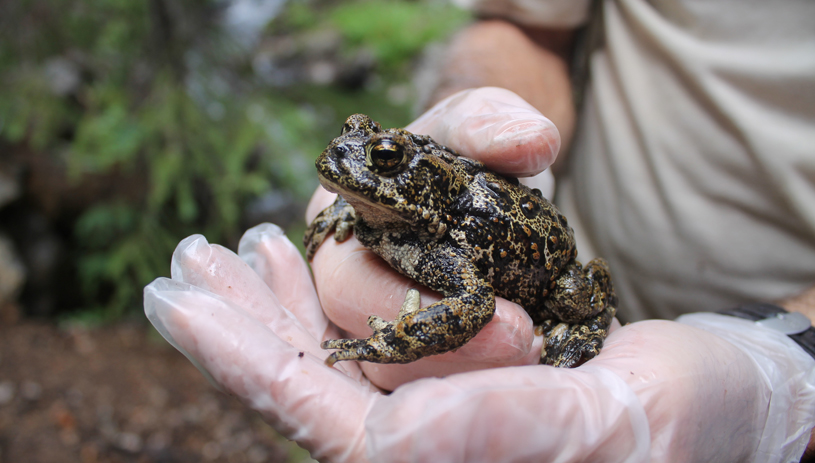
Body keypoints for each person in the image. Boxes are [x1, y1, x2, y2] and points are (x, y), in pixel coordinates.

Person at [144, 0, 815, 461]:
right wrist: (468, 113)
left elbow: (470, 303)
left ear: (412, 180)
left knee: (575, 295)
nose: (349, 160)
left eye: (381, 161)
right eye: (357, 144)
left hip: (566, 289)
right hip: (560, 262)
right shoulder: (407, 215)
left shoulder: (439, 242)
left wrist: (787, 369)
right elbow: (522, 29)